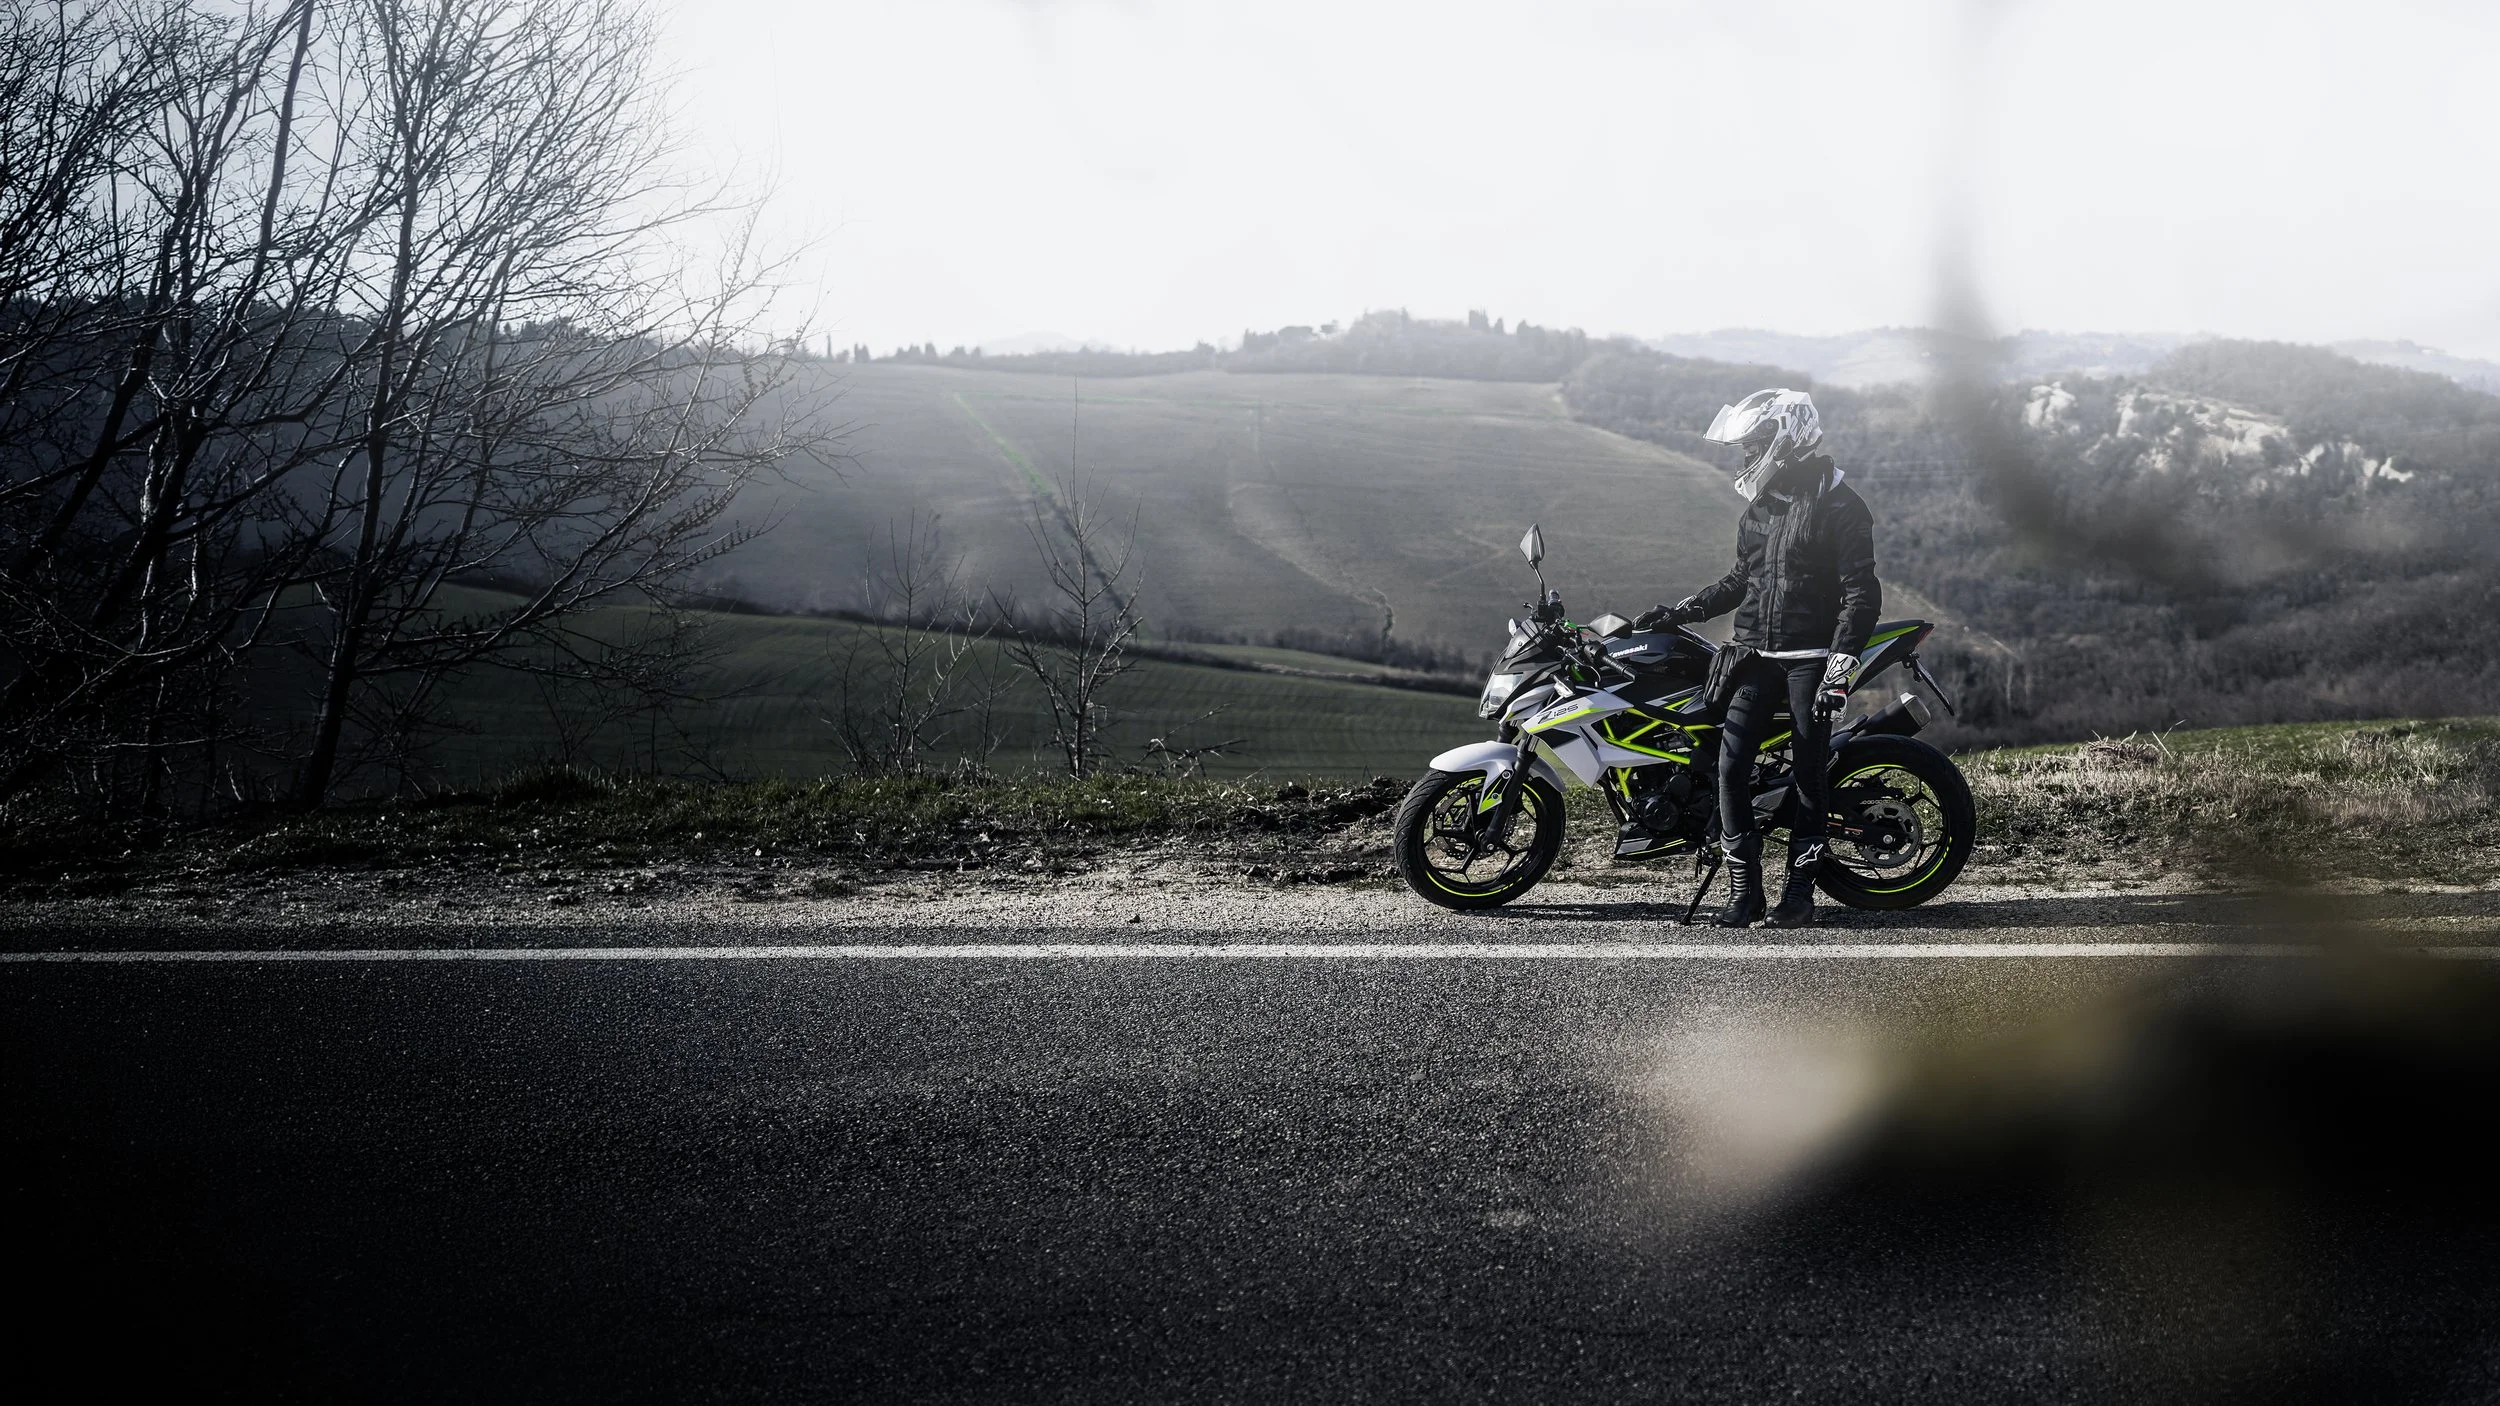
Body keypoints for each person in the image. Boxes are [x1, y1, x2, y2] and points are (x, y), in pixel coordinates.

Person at [1631, 389, 1880, 927]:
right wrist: (1681, 612)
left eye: (1755, 444)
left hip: (1810, 660)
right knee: (1729, 768)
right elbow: (1741, 581)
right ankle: (1745, 896)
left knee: (1810, 778)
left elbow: (1862, 594)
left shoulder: (1843, 506)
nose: (1746, 456)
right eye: (1744, 446)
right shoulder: (1760, 508)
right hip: (1753, 657)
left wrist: (1840, 667)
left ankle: (1798, 898)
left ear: (1786, 442)